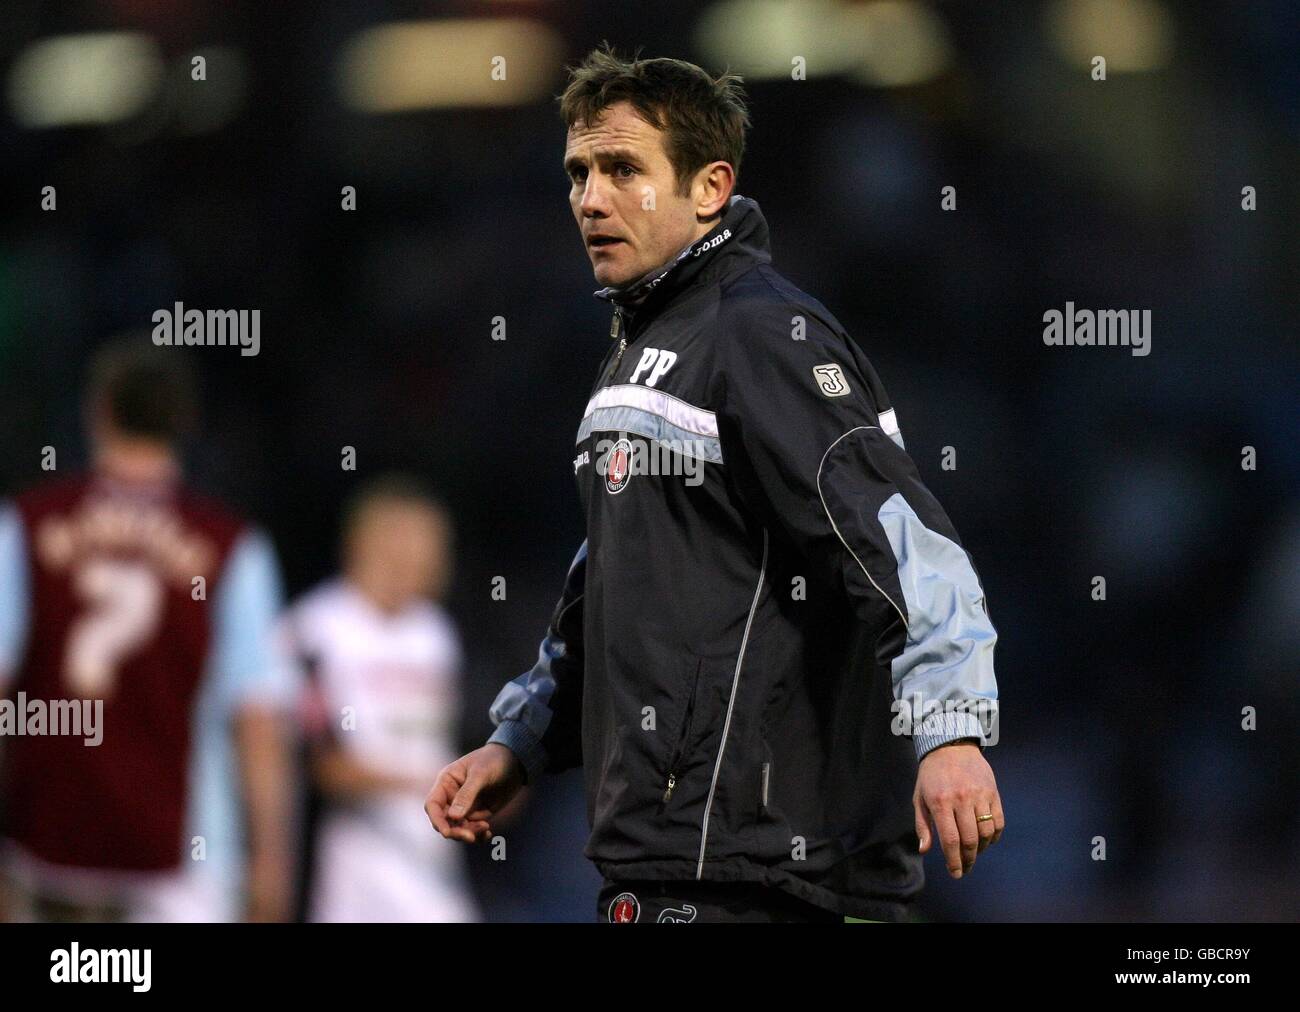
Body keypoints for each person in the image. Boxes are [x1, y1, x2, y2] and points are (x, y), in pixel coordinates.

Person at [426, 45, 1004, 924]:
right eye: (579, 172)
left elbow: (899, 536)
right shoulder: (642, 350)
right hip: (668, 863)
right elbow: (616, 579)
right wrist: (524, 736)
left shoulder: (761, 335)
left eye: (623, 168)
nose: (590, 198)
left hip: (766, 873)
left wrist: (952, 727)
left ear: (709, 188)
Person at [0, 338, 296, 922]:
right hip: (186, 851)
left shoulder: (27, 524)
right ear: (186, 421)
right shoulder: (231, 546)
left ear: (99, 410)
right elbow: (257, 717)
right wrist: (272, 860)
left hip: (48, 843)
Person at [284, 476, 478, 923]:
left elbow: (439, 740)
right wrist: (435, 783)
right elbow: (324, 766)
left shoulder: (435, 633)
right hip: (354, 871)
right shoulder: (315, 629)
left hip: (434, 867)